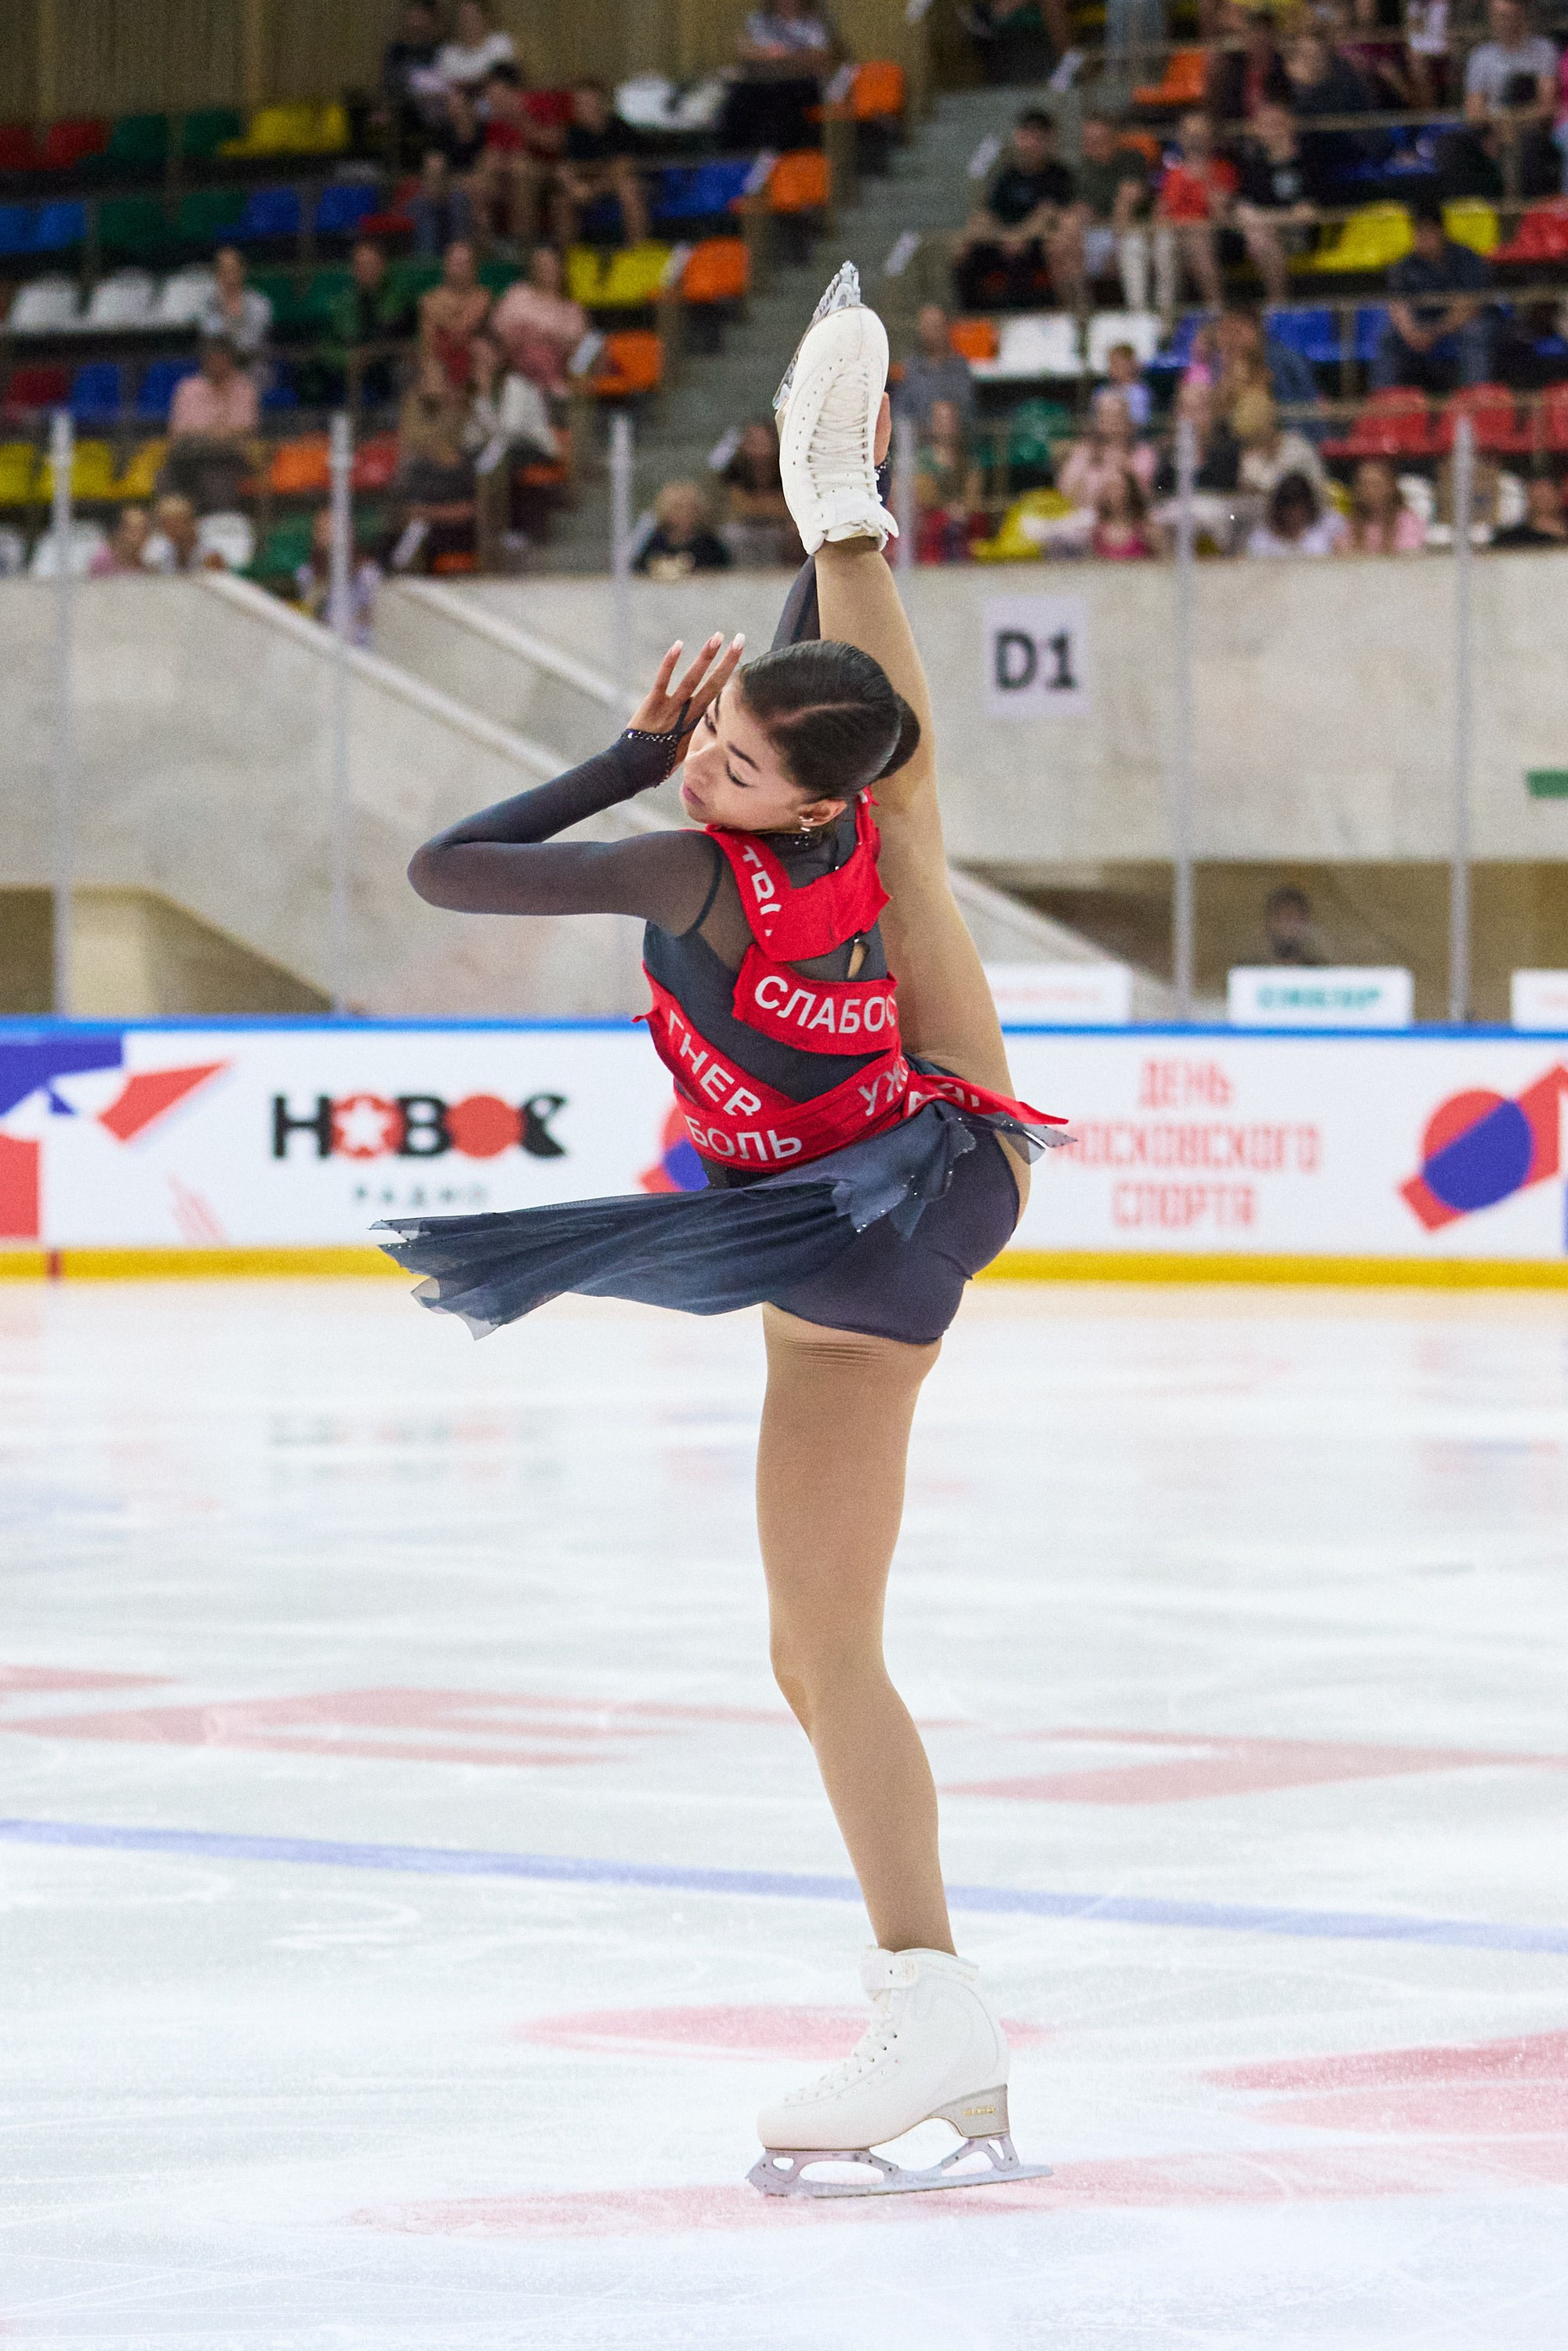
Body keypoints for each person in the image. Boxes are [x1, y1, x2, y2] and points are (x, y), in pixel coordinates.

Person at [385, 268, 1065, 2200]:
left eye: (735, 763)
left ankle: (928, 2005)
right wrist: (813, 576)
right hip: (948, 1148)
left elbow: (447, 870)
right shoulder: (847, 817)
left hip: (860, 1242)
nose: (710, 765)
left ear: (771, 799)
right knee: (920, 823)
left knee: (815, 1648)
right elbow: (848, 722)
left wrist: (627, 754)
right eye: (713, 748)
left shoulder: (691, 855)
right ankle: (839, 506)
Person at [952, 108, 1078, 310]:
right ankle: (973, 314)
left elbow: (1049, 213)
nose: (1032, 144)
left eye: (1038, 138)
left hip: (1037, 244)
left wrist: (1020, 236)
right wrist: (993, 234)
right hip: (1004, 238)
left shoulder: (1059, 175)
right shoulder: (1007, 176)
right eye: (1027, 136)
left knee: (1023, 253)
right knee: (966, 251)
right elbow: (990, 213)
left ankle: (1027, 311)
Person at [1372, 194, 1494, 390]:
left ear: (1440, 231)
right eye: (1417, 231)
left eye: (1426, 231)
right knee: (1387, 338)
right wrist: (1411, 333)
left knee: (1474, 332)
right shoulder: (1404, 265)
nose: (1421, 237)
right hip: (1421, 329)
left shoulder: (1466, 258)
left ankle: (1476, 399)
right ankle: (1383, 404)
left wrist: (1436, 331)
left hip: (1459, 326)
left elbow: (1469, 307)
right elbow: (1398, 306)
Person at [1444, 0, 1559, 198]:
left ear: (1522, 16)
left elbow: (1546, 106)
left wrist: (1512, 125)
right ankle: (1476, 212)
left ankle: (1529, 214)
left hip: (1530, 130)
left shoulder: (1543, 50)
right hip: (1491, 130)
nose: (1505, 22)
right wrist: (1496, 129)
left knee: (1528, 145)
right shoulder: (1481, 56)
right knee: (1450, 145)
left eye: (1509, 16)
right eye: (1499, 16)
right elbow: (1474, 110)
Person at [1055, 113, 1153, 313]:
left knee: (1124, 215)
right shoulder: (1082, 169)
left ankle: (1138, 313)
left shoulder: (1131, 159)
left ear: (1114, 137)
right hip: (1095, 235)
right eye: (1089, 140)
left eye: (1100, 139)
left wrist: (1114, 247)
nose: (1094, 145)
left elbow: (1129, 200)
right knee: (1062, 235)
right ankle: (1077, 311)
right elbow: (1080, 209)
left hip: (1132, 233)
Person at [393, 348, 479, 569]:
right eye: (426, 376)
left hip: (452, 488)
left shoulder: (458, 407)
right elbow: (412, 441)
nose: (431, 381)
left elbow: (453, 444)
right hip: (424, 485)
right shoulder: (412, 405)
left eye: (436, 376)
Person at [1233, 102, 1324, 307]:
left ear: (1290, 123)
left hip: (1301, 235)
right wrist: (1264, 219)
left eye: (1277, 123)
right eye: (1265, 125)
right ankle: (1277, 306)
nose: (1272, 130)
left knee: (1259, 233)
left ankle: (1278, 305)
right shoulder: (1254, 165)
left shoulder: (1308, 160)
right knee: (1259, 236)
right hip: (1261, 237)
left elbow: (1307, 215)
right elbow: (1243, 210)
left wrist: (1263, 218)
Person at [722, 0, 842, 153]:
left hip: (804, 87)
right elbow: (745, 52)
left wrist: (777, 57)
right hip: (763, 85)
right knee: (739, 102)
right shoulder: (758, 20)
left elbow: (820, 57)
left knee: (786, 102)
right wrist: (781, 57)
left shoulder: (816, 21)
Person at [162, 334, 260, 511]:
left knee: (214, 480)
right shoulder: (187, 388)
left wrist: (206, 435)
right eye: (212, 359)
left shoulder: (244, 388)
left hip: (229, 459)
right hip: (189, 457)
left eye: (222, 359)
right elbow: (177, 434)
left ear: (231, 360)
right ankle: (170, 530)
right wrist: (213, 434)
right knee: (165, 476)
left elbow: (243, 431)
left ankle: (219, 529)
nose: (217, 364)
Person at [1152, 111, 1236, 318]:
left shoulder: (1223, 169)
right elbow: (1160, 214)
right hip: (1175, 235)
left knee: (1197, 238)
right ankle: (1165, 319)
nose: (1195, 139)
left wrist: (1206, 179)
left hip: (1211, 235)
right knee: (1163, 244)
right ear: (1181, 137)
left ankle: (1216, 312)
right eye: (1190, 134)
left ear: (1211, 137)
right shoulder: (1172, 173)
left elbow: (1222, 217)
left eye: (1200, 134)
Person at [314, 238, 412, 407]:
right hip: (347, 370)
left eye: (372, 264)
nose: (367, 270)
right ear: (353, 269)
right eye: (361, 265)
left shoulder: (400, 299)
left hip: (388, 366)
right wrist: (349, 359)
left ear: (383, 266)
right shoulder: (340, 304)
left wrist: (375, 354)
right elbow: (325, 347)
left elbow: (407, 337)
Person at [553, 77, 648, 249]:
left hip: (623, 184)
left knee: (629, 188)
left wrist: (592, 189)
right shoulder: (574, 133)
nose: (584, 108)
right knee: (561, 201)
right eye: (580, 103)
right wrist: (574, 186)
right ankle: (567, 257)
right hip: (590, 187)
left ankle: (637, 251)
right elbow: (566, 168)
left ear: (601, 103)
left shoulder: (619, 129)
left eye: (588, 103)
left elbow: (622, 169)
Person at [492, 243, 590, 402]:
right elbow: (500, 329)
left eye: (550, 264)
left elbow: (578, 346)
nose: (544, 270)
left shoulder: (571, 309)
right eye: (540, 265)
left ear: (561, 268)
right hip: (515, 363)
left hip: (557, 367)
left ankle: (553, 396)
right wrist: (526, 336)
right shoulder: (518, 294)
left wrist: (546, 338)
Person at [1056, 386, 1157, 510]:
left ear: (1129, 420)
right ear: (1097, 420)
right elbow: (1065, 493)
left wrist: (1122, 463)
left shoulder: (1142, 452)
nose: (1112, 421)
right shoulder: (1083, 452)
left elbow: (1143, 494)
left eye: (1118, 415)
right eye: (1106, 415)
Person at [720, 420, 803, 568]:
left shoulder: (789, 469)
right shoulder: (734, 472)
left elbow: (791, 507)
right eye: (754, 442)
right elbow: (739, 507)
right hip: (746, 531)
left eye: (764, 441)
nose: (759, 449)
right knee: (733, 534)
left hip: (782, 531)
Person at [294, 506, 382, 643]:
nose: (327, 537)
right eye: (322, 532)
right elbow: (310, 615)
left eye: (332, 532)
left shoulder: (367, 573)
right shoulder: (306, 574)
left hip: (361, 645)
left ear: (348, 534)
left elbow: (375, 614)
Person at [915, 396, 983, 561]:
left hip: (963, 518)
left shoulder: (968, 460)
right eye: (940, 420)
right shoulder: (922, 459)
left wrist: (963, 509)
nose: (946, 426)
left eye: (950, 420)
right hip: (932, 521)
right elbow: (923, 497)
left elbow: (974, 496)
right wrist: (947, 510)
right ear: (932, 424)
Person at [377, 0, 448, 158]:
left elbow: (447, 83)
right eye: (413, 16)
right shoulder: (396, 51)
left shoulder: (442, 49)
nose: (416, 23)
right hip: (406, 108)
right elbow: (389, 85)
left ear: (431, 20)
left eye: (421, 17)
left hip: (439, 110)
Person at [891, 303, 977, 433]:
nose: (931, 333)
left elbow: (967, 409)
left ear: (946, 328)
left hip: (955, 439)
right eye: (926, 327)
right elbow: (901, 410)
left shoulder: (959, 366)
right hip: (918, 439)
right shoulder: (912, 367)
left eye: (935, 326)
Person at [419, 237, 491, 388]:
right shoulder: (430, 300)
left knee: (483, 357)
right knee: (432, 375)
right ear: (446, 265)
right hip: (441, 358)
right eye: (456, 263)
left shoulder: (484, 297)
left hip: (475, 359)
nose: (461, 268)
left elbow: (473, 331)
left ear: (474, 267)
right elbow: (428, 343)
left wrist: (449, 321)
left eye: (466, 263)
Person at [1207, 2, 1293, 126]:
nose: (1260, 36)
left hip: (1274, 134)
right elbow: (1222, 114)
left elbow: (1288, 107)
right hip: (1239, 139)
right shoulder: (1233, 69)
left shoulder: (1284, 69)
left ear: (1274, 35)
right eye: (1254, 30)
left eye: (1266, 30)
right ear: (1246, 35)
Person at [1234, 386, 1327, 498]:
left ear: (1268, 427)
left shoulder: (1299, 450)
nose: (1250, 448)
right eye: (1247, 442)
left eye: (1254, 438)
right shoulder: (1249, 461)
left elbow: (1317, 492)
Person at [637, 480, 733, 578]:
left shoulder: (710, 544)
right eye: (678, 508)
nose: (685, 513)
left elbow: (724, 573)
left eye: (691, 508)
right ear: (665, 511)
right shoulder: (656, 541)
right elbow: (640, 571)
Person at [197, 245, 271, 367]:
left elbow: (250, 344)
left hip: (253, 366)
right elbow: (210, 337)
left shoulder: (260, 304)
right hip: (217, 368)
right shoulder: (208, 304)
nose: (228, 275)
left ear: (243, 269)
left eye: (232, 269)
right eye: (222, 270)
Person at [1337, 456, 1425, 551]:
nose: (1369, 491)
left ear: (1390, 487)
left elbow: (1407, 554)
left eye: (1375, 484)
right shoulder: (1352, 522)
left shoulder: (1408, 520)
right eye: (1364, 485)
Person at [1247, 468, 1346, 553]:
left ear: (1308, 506)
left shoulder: (1329, 529)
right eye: (1289, 507)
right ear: (1279, 510)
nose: (1294, 513)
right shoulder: (1261, 541)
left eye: (1299, 506)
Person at [435, 0, 518, 91]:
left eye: (474, 16)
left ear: (484, 17)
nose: (469, 22)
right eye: (464, 17)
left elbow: (503, 77)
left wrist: (466, 83)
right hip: (461, 102)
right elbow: (445, 86)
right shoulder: (448, 53)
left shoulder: (500, 42)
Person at [1091, 467, 1154, 558]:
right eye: (1108, 488)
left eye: (1117, 487)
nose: (1112, 494)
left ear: (1130, 491)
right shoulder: (1097, 533)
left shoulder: (1146, 530)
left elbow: (1167, 565)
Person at [1491, 471, 1568, 543]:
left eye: (1545, 497)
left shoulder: (1562, 531)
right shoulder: (1510, 535)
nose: (1540, 502)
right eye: (1535, 497)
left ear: (1559, 498)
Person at [1261, 883, 1325, 962]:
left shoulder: (1320, 972)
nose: (1288, 927)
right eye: (1282, 918)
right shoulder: (1250, 971)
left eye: (1294, 919)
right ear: (1270, 924)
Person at [88, 504, 153, 576]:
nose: (139, 536)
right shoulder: (102, 560)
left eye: (143, 530)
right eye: (132, 530)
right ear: (120, 531)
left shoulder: (149, 560)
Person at [1102, 337, 1151, 429]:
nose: (1111, 368)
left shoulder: (1139, 393)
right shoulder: (1102, 391)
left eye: (1116, 363)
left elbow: (1140, 424)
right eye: (1110, 363)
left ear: (1129, 364)